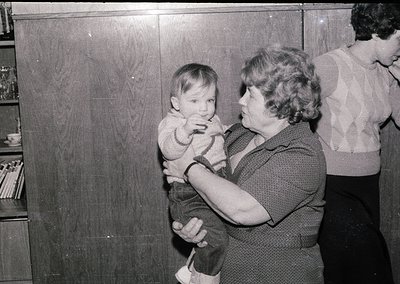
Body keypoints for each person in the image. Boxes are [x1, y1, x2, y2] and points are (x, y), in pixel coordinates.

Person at [163, 45, 326, 283]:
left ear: (278, 103)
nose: (241, 100)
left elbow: (241, 210)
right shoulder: (240, 134)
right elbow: (212, 197)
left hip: (276, 274)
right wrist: (195, 229)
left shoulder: (303, 155)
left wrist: (188, 168)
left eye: (250, 94)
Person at [312, 3, 400, 284]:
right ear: (376, 31)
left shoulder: (387, 71)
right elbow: (288, 112)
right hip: (332, 185)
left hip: (368, 185)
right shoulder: (329, 65)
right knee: (367, 266)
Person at [158, 63, 229, 284]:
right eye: (195, 101)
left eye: (210, 100)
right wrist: (186, 130)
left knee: (216, 234)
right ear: (176, 103)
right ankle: (203, 277)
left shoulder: (211, 119)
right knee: (215, 239)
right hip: (188, 194)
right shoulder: (173, 123)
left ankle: (192, 268)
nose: (204, 108)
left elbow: (220, 133)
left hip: (216, 183)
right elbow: (168, 149)